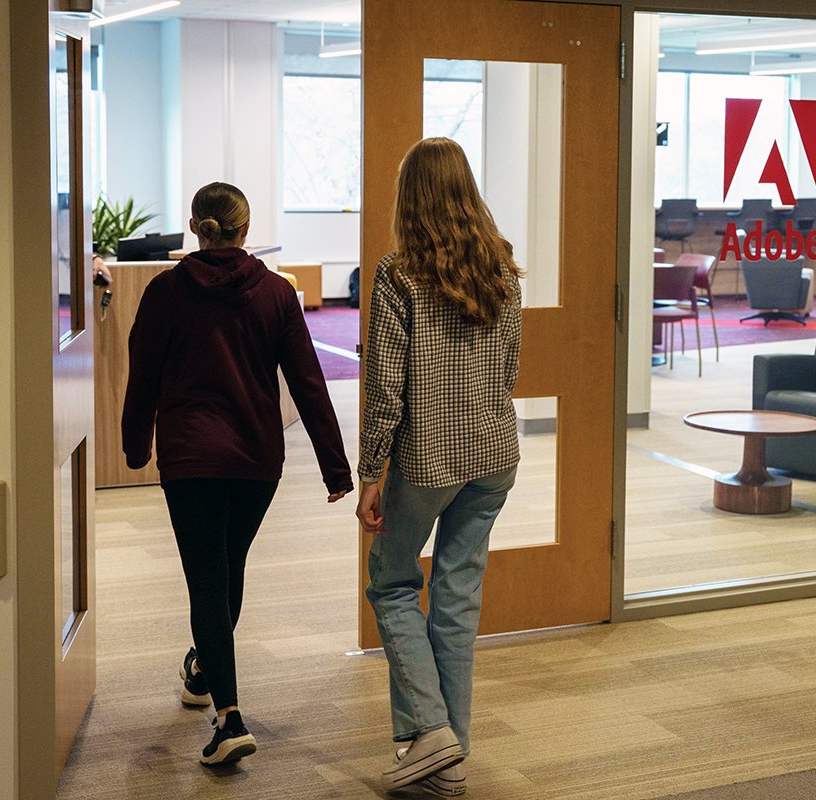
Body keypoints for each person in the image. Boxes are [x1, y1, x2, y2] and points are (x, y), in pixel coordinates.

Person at [121, 181, 354, 766]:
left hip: (192, 457)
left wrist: (134, 445)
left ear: (196, 226)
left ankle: (229, 719)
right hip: (256, 460)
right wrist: (334, 464)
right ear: (245, 231)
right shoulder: (276, 293)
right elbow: (308, 381)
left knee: (209, 579)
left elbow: (142, 374)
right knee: (226, 569)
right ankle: (202, 672)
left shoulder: (165, 293)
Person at [357, 137, 522, 796]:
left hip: (428, 462)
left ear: (410, 198)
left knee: (392, 582)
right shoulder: (502, 270)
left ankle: (430, 734)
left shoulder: (397, 274)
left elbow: (384, 386)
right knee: (455, 602)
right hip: (494, 457)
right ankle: (448, 766)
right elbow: (510, 370)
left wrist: (372, 470)